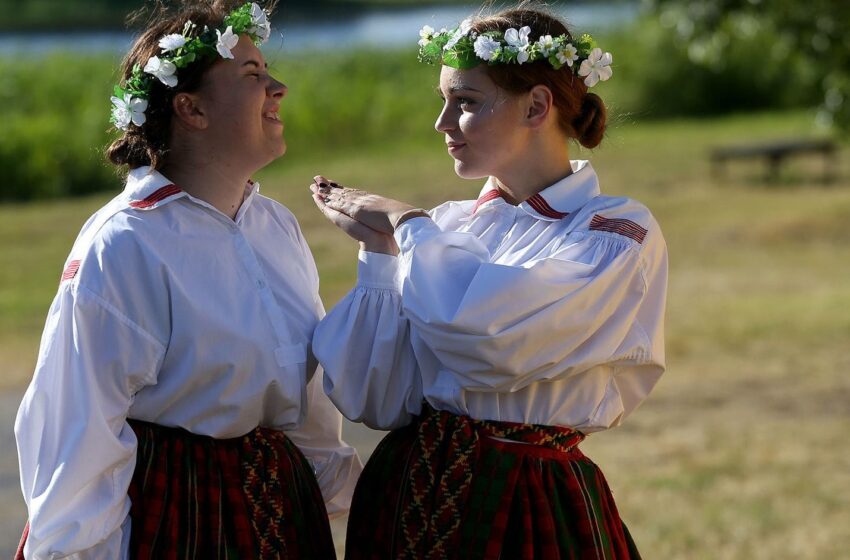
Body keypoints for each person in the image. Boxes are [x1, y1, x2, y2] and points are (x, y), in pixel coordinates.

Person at [309, 5, 667, 559]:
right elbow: (373, 397)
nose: (443, 123)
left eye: (467, 102)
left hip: (526, 496)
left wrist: (406, 224)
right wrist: (378, 251)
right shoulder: (449, 227)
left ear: (538, 106)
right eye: (444, 100)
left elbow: (492, 339)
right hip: (409, 490)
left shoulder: (613, 232)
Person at [14, 2, 361, 558]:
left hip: (277, 512)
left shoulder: (275, 225)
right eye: (252, 75)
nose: (279, 87)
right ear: (190, 109)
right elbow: (79, 431)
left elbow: (305, 392)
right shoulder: (127, 241)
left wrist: (337, 492)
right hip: (176, 512)